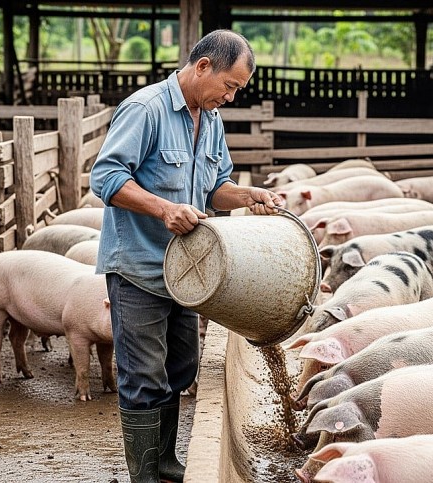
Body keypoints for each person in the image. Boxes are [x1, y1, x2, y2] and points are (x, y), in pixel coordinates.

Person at [89, 30, 282, 483]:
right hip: (137, 266)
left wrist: (249, 195)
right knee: (142, 377)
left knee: (181, 366)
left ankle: (168, 460)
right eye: (230, 86)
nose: (231, 96)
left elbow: (217, 189)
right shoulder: (146, 109)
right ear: (202, 67)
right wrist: (163, 207)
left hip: (187, 270)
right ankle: (145, 474)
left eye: (237, 89)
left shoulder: (210, 119)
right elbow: (105, 176)